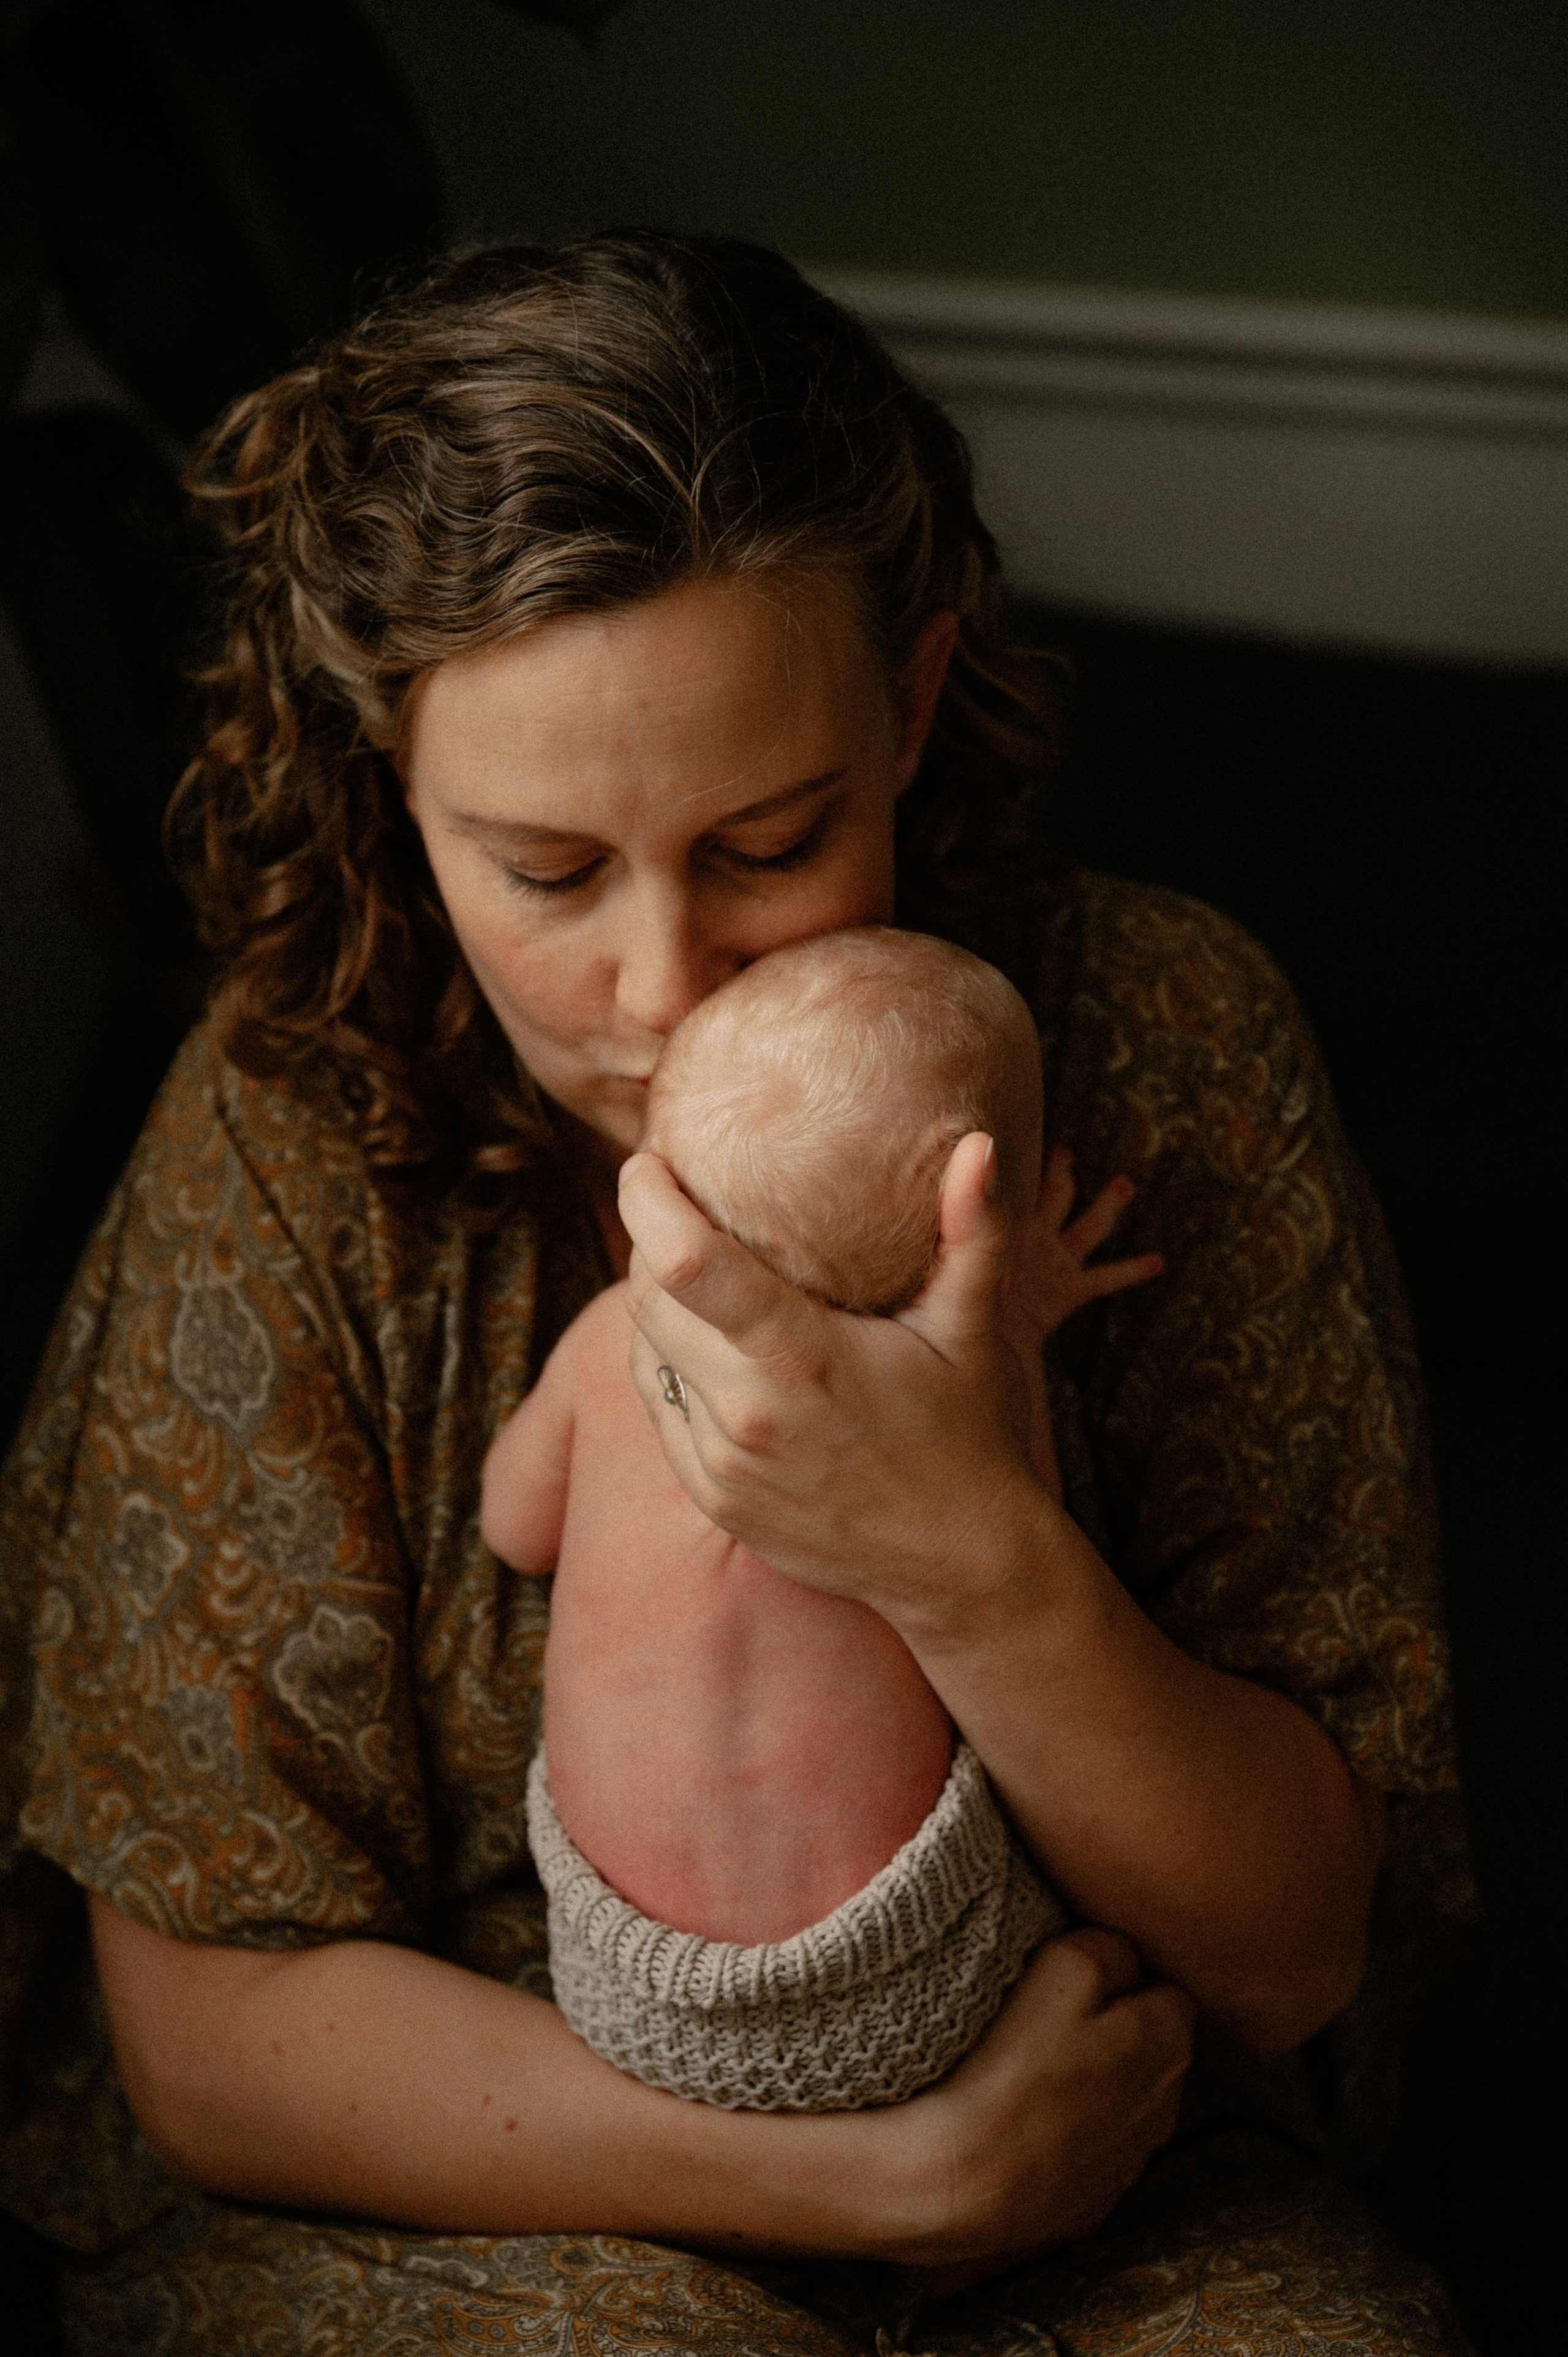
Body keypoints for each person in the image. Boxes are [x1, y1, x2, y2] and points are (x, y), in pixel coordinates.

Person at [0, 232, 1474, 2355]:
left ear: (913, 705)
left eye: (772, 841)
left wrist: (969, 1557)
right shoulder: (298, 1119)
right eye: (546, 870)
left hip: (1110, 2149)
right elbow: (215, 2043)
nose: (663, 985)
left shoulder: (1150, 1038)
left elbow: (1294, 1957)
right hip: (486, 2175)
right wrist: (878, 2178)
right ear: (395, 784)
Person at [485, 926, 1165, 2114]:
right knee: (1122, 1964)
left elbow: (511, 1529)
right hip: (906, 2004)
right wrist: (1015, 1332)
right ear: (978, 1228)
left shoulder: (600, 1351)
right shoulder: (967, 1417)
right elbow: (1025, 1548)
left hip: (620, 1995)